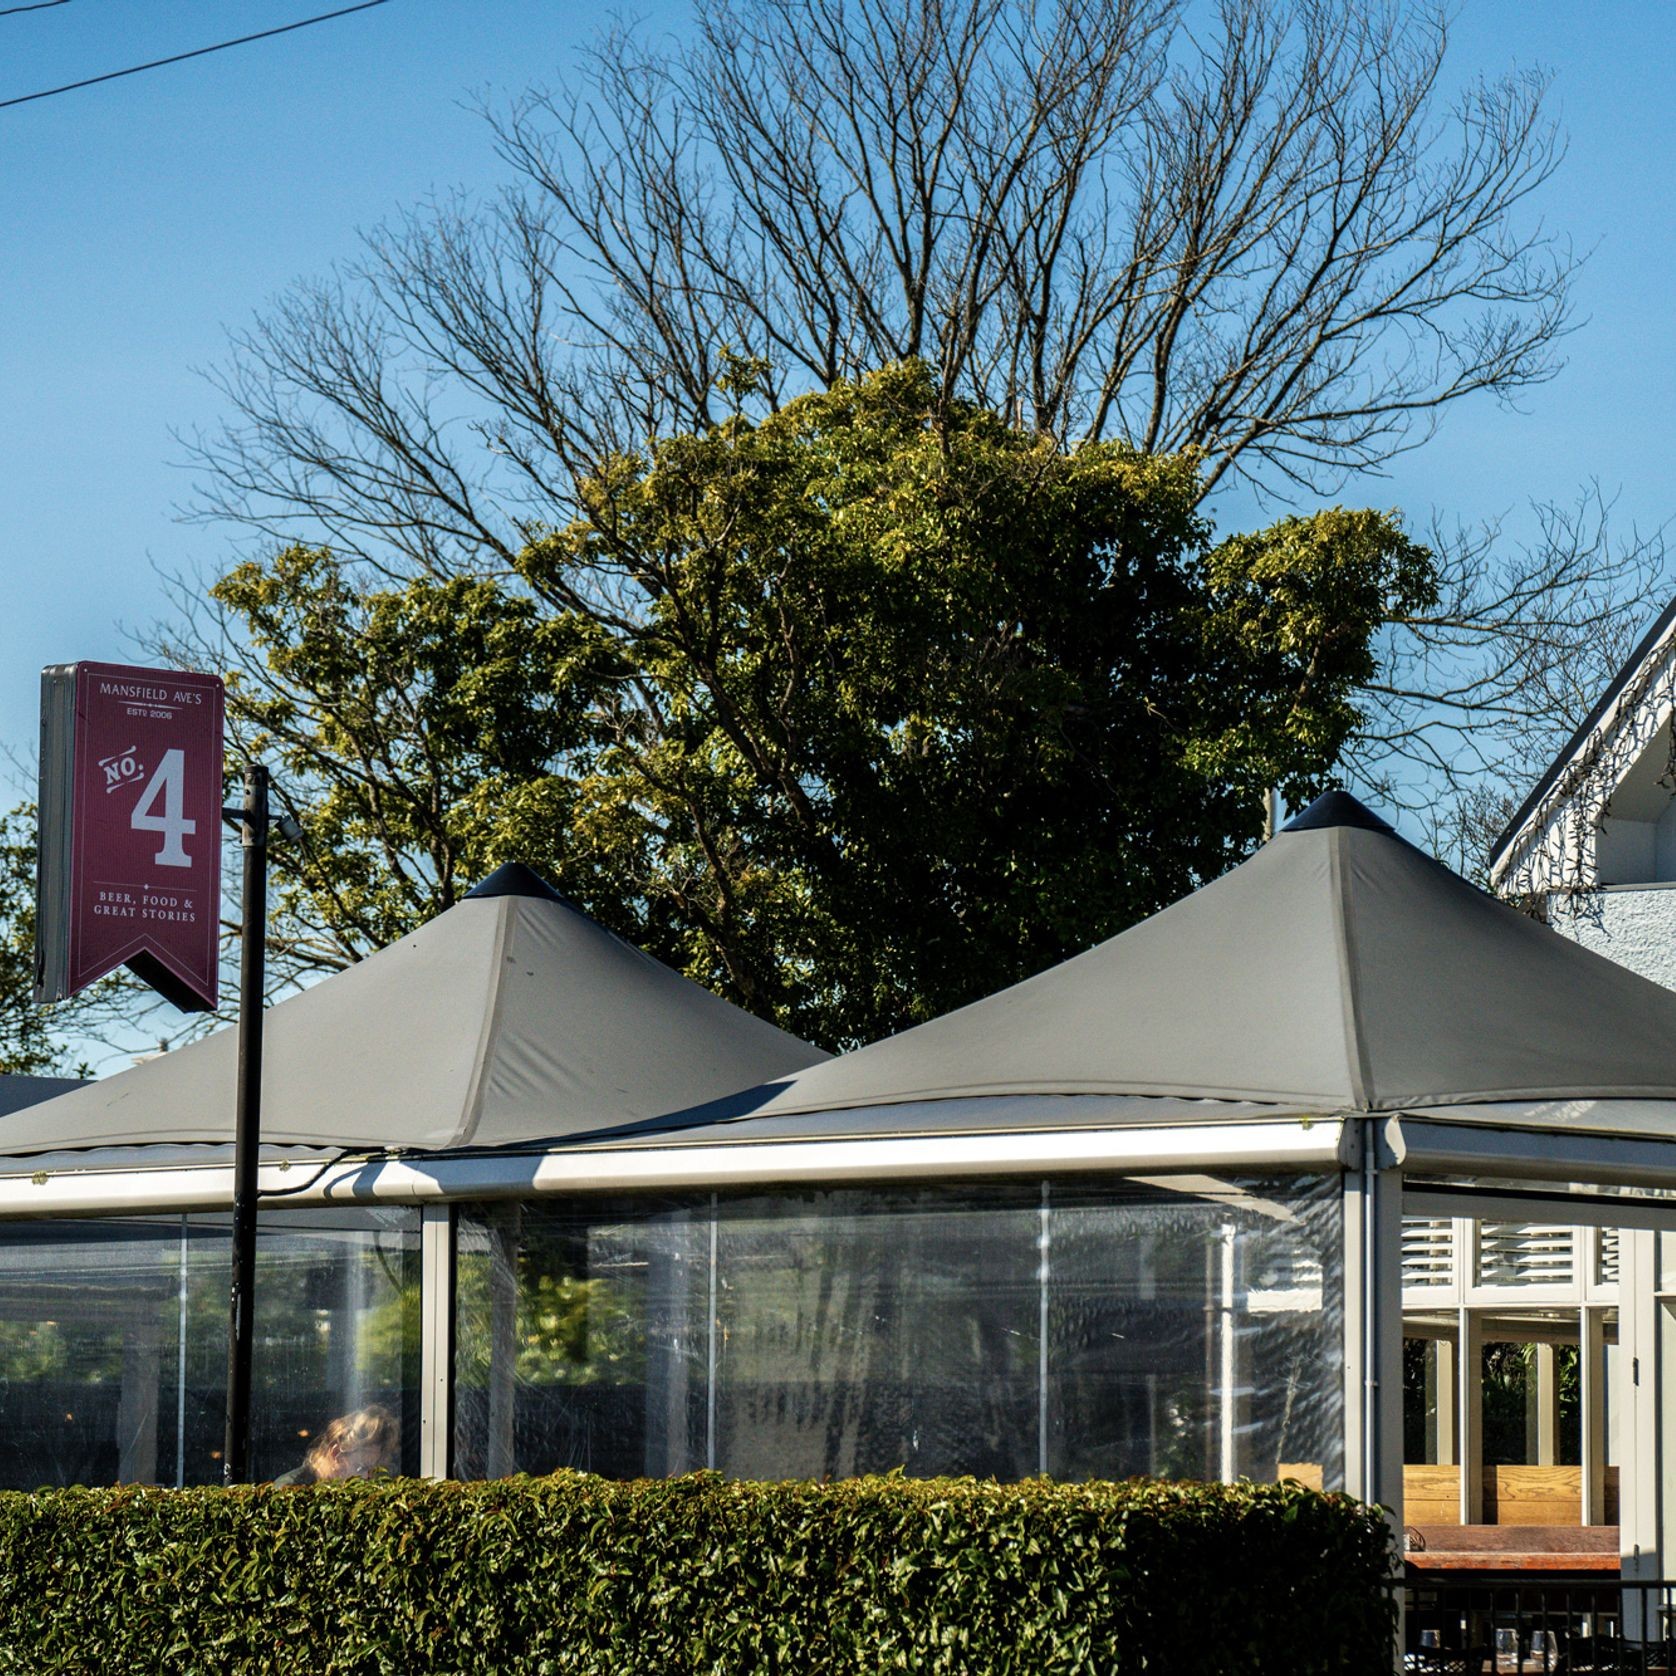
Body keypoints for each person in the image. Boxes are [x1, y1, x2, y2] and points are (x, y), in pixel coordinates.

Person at [273, 1404, 399, 1486]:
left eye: (373, 1470)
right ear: (336, 1453)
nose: (367, 1478)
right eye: (361, 1468)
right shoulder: (289, 1490)